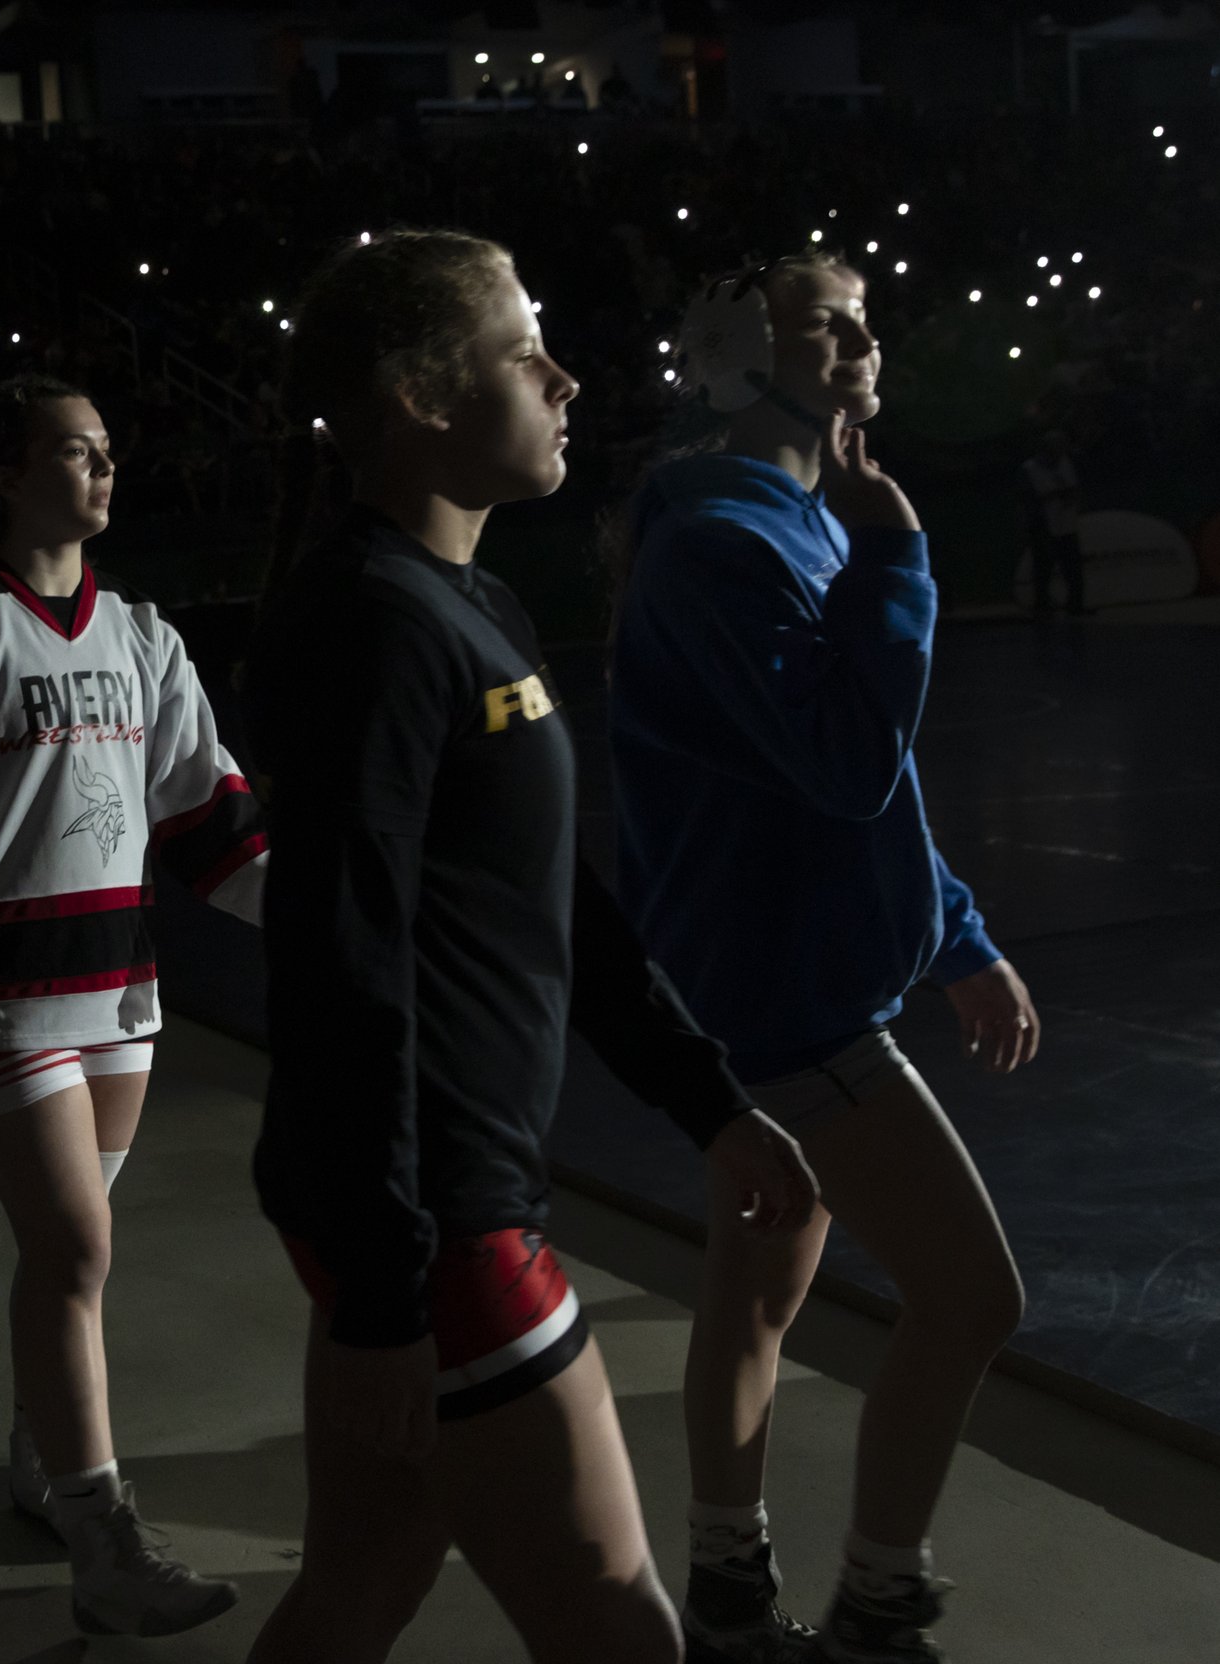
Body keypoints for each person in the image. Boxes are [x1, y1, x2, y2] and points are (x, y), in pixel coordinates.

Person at [242, 230, 820, 1664]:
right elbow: (339, 958)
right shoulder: (368, 625)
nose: (563, 378)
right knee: (626, 1637)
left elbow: (550, 900)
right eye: (522, 354)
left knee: (361, 1586)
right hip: (438, 1219)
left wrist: (709, 1102)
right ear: (424, 397)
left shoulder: (473, 606)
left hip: (429, 1204)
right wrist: (387, 1285)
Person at [610, 254, 1035, 1664]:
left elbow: (869, 788)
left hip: (764, 966)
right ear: (738, 358)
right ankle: (879, 1602)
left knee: (765, 1278)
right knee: (972, 1296)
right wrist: (902, 551)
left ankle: (727, 1580)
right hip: (774, 992)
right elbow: (854, 762)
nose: (860, 342)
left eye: (862, 321)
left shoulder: (793, 515)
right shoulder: (730, 544)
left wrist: (957, 933)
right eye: (821, 324)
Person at [0, 374, 267, 1637]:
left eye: (106, 453)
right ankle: (99, 1534)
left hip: (118, 991)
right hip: (2, 999)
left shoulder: (143, 635)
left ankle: (43, 1458)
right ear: (2, 471)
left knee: (70, 1249)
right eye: (75, 453)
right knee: (75, 1249)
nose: (103, 472)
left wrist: (339, 925)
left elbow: (209, 820)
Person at [1021, 429, 1084, 615]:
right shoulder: (1030, 469)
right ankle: (1042, 606)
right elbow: (1027, 499)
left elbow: (1076, 489)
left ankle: (1075, 604)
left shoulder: (1066, 463)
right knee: (1043, 568)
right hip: (1044, 525)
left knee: (1072, 568)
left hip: (1066, 523)